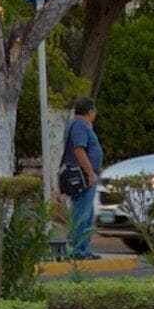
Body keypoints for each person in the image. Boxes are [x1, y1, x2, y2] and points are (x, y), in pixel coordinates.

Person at [58, 99, 106, 260]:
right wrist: (90, 173)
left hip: (83, 174)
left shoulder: (77, 124)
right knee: (82, 213)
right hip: (83, 176)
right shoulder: (80, 126)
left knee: (86, 212)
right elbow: (79, 150)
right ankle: (78, 249)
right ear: (90, 111)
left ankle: (84, 248)